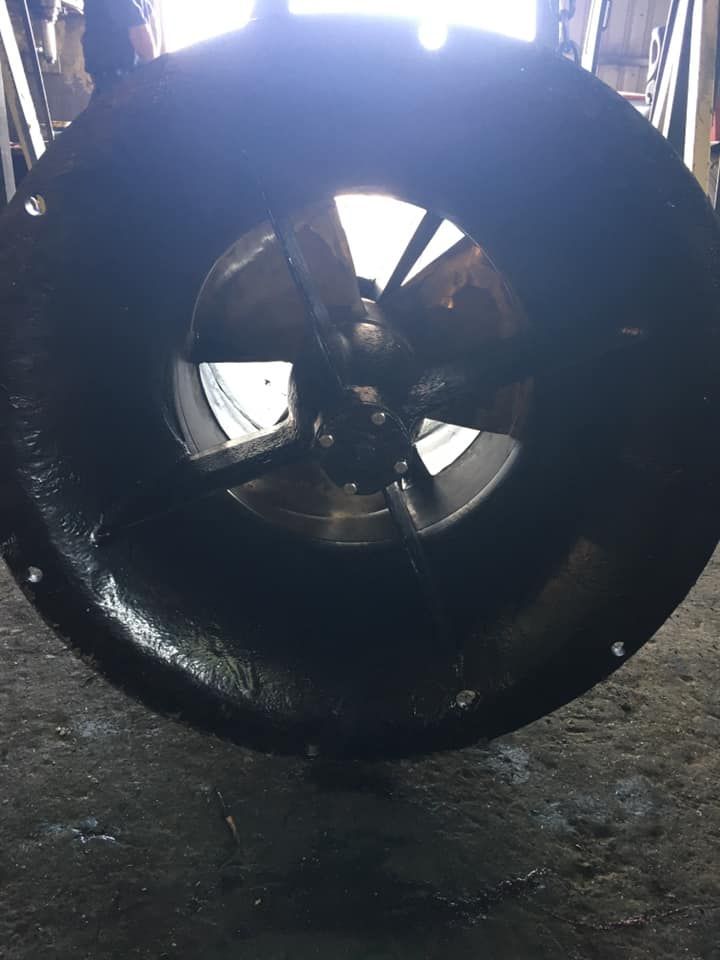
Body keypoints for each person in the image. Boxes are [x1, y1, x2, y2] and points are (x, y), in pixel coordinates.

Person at [82, 0, 158, 99]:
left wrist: (154, 76)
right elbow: (151, 25)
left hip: (118, 79)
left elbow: (139, 33)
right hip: (121, 76)